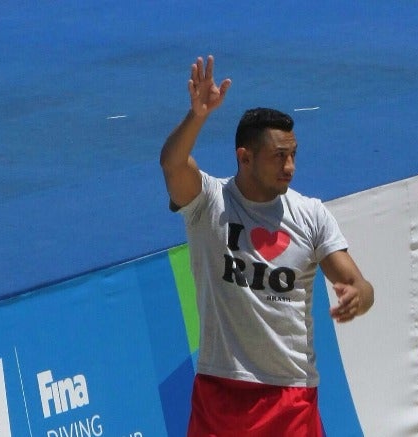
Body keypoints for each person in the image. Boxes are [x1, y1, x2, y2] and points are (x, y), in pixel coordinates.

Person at [160, 55, 374, 437]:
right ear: (244, 157)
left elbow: (358, 282)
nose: (290, 166)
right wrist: (198, 116)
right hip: (221, 390)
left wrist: (359, 293)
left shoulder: (311, 214)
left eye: (293, 155)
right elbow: (173, 164)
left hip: (290, 394)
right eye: (279, 156)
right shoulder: (208, 202)